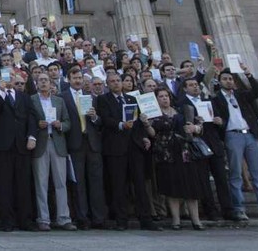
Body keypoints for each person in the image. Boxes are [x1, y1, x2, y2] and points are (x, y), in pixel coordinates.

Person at [211, 65, 258, 222]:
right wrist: (220, 122)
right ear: (219, 81)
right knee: (236, 174)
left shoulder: (242, 95)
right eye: (225, 79)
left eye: (230, 79)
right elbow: (215, 116)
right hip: (232, 136)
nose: (228, 81)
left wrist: (248, 74)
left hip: (250, 135)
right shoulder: (215, 99)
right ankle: (238, 208)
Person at [97, 73, 161, 231]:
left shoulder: (132, 99)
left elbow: (138, 123)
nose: (116, 84)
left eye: (118, 81)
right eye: (112, 81)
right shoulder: (103, 100)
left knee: (140, 184)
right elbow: (105, 119)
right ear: (107, 84)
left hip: (134, 147)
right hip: (115, 148)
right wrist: (120, 125)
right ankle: (121, 220)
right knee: (119, 186)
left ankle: (146, 219)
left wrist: (144, 137)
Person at [143, 88, 208, 230]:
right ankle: (176, 220)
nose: (164, 98)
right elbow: (153, 134)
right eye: (161, 96)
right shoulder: (153, 115)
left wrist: (195, 128)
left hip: (185, 152)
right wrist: (147, 124)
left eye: (166, 95)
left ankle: (196, 220)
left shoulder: (181, 110)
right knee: (171, 187)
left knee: (191, 187)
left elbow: (199, 125)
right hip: (166, 154)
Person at [0, 69, 37, 232]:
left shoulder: (24, 97)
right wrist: (1, 91)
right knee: (4, 184)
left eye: (15, 81)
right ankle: (7, 220)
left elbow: (32, 118)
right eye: (7, 80)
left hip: (22, 145)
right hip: (2, 146)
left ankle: (25, 220)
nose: (11, 83)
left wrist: (31, 137)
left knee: (23, 184)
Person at [178, 77, 234, 221]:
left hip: (214, 144)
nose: (195, 87)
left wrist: (220, 122)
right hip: (198, 145)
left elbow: (221, 119)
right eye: (191, 85)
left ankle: (228, 210)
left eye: (196, 85)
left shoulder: (209, 101)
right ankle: (211, 211)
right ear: (185, 89)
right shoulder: (182, 103)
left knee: (221, 178)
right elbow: (183, 124)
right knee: (203, 180)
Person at [60, 67, 107, 229]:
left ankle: (98, 218)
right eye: (74, 78)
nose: (78, 80)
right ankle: (83, 218)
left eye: (80, 77)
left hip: (92, 143)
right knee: (78, 183)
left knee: (96, 182)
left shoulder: (92, 98)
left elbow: (101, 122)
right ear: (68, 79)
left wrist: (94, 117)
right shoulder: (62, 98)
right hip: (75, 144)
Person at [30, 73, 77, 231]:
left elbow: (68, 122)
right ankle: (43, 219)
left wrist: (60, 125)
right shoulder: (32, 100)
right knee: (41, 183)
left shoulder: (59, 101)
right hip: (41, 143)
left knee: (61, 183)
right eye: (40, 80)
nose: (43, 83)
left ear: (51, 84)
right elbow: (28, 122)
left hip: (57, 142)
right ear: (36, 84)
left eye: (46, 80)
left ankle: (64, 218)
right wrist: (38, 125)